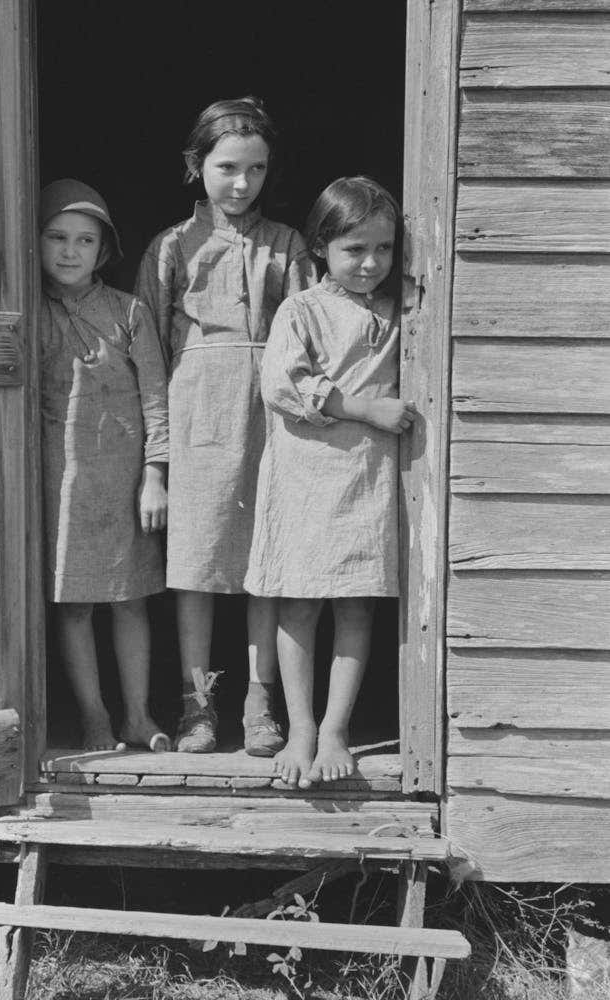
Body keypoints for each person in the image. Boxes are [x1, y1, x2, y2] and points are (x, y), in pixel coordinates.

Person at [136, 98, 317, 755]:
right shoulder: (169, 249)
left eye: (257, 169)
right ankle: (198, 705)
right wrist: (156, 459)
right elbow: (149, 357)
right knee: (198, 566)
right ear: (196, 165)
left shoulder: (288, 246)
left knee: (262, 566)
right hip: (195, 427)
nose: (242, 183)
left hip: (269, 426)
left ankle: (259, 701)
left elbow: (307, 339)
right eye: (227, 168)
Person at [244, 176, 416, 788]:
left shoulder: (403, 312)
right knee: (298, 603)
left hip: (367, 481)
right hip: (307, 479)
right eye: (354, 250)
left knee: (356, 604)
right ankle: (301, 729)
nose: (371, 263)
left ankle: (338, 727)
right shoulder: (303, 310)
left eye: (385, 249)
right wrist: (366, 408)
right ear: (321, 246)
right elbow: (282, 385)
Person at [40, 178, 171, 752]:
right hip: (57, 481)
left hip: (123, 479)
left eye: (85, 240)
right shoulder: (27, 311)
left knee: (130, 599)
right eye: (57, 237)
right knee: (72, 605)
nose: (70, 251)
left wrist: (156, 474)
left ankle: (137, 715)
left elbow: (156, 400)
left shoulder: (129, 312)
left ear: (104, 248)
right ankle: (93, 717)